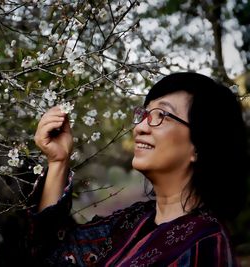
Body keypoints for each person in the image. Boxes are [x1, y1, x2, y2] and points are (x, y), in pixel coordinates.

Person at [28, 72, 248, 266]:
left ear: (200, 145)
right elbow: (56, 254)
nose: (140, 127)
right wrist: (58, 162)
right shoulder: (132, 222)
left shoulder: (206, 245)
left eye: (161, 115)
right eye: (144, 114)